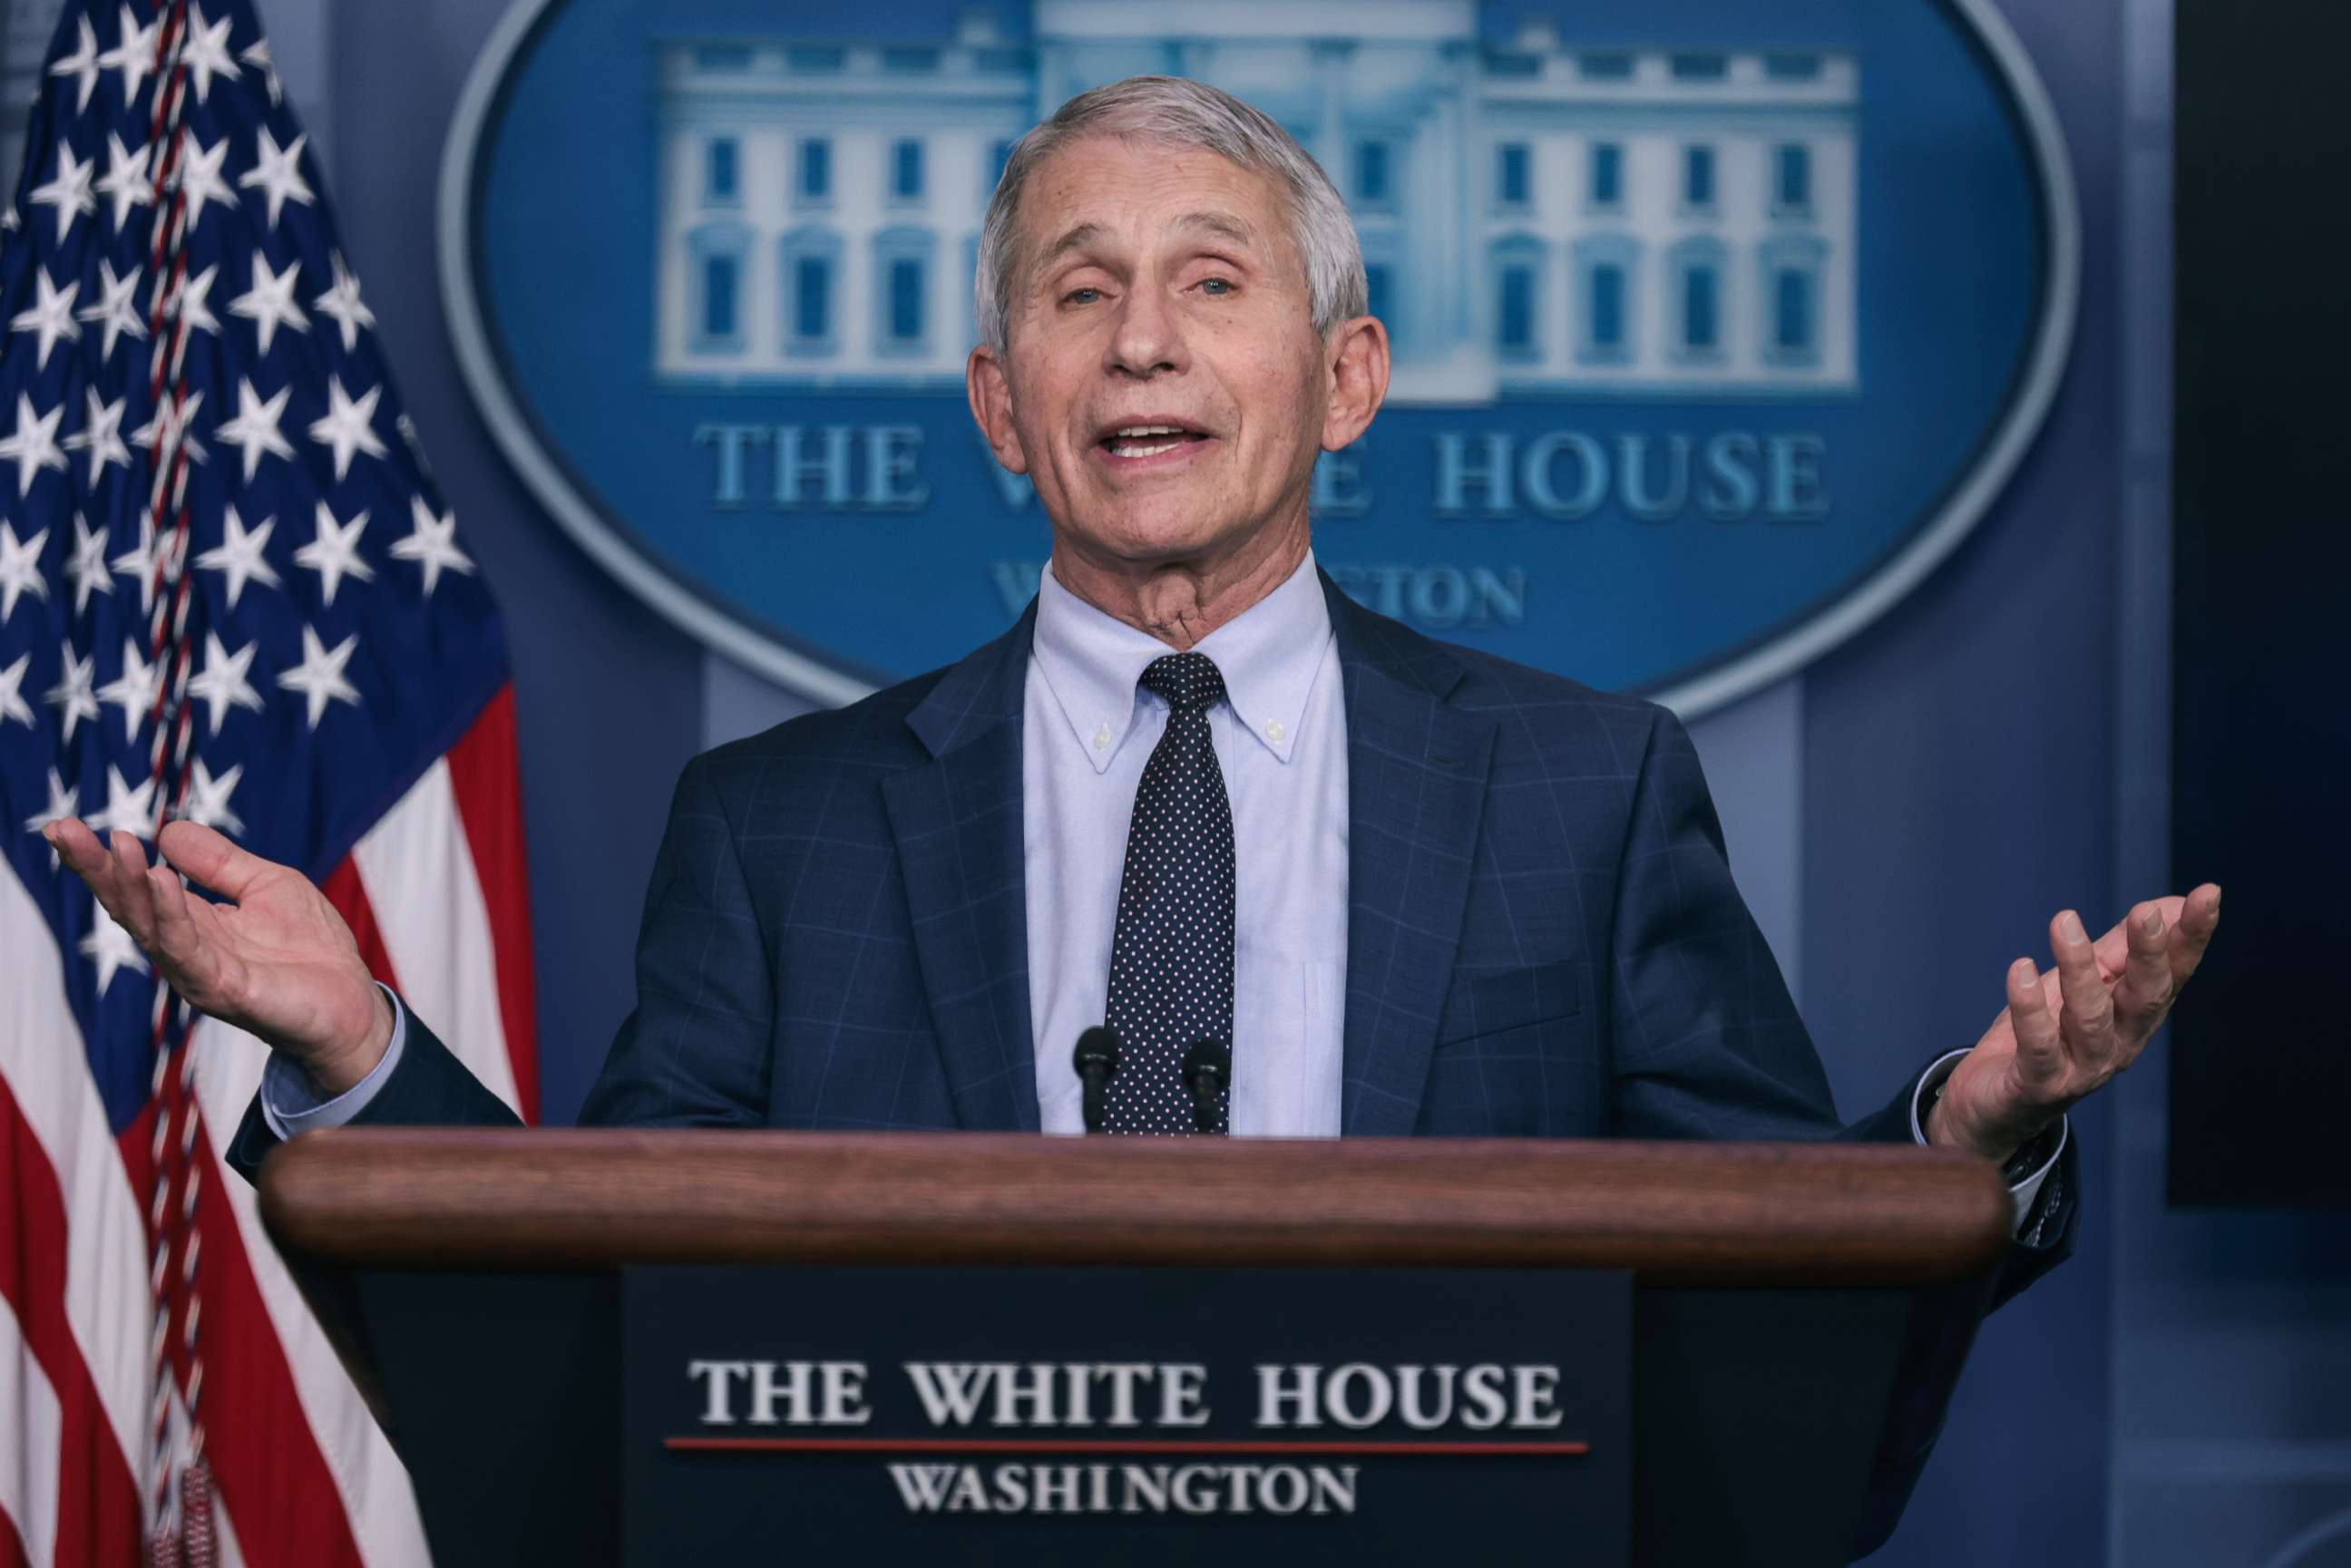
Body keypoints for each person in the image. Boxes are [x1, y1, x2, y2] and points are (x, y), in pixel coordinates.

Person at [44, 73, 2219, 1549]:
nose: (1138, 343)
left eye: (1208, 280)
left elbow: (1758, 1323)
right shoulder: (778, 826)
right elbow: (621, 1348)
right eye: (1077, 293)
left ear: (1344, 376)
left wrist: (1971, 1126)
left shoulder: (1585, 787)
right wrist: (353, 1054)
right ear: (1004, 406)